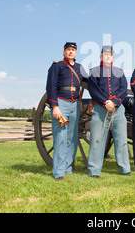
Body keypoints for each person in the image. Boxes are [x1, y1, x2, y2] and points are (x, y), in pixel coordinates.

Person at [87, 45, 131, 178]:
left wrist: (115, 102)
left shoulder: (119, 71)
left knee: (121, 139)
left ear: (113, 57)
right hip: (101, 108)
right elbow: (93, 90)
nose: (107, 56)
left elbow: (124, 88)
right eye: (105, 54)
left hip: (118, 109)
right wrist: (106, 102)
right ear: (101, 56)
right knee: (96, 139)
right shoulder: (94, 71)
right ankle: (94, 170)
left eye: (110, 54)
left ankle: (124, 168)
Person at [46, 42, 88, 180]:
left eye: (73, 50)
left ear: (76, 53)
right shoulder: (57, 66)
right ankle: (58, 172)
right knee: (61, 138)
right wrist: (55, 106)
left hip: (75, 104)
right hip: (61, 103)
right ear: (64, 52)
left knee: (72, 138)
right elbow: (51, 86)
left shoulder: (79, 68)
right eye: (68, 50)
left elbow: (89, 82)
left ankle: (68, 168)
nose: (71, 52)